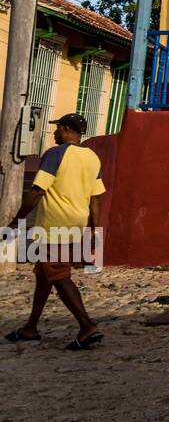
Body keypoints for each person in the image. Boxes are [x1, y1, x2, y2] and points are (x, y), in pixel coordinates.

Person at [4, 112, 105, 350]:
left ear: (66, 128)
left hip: (53, 225)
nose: (54, 132)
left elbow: (38, 191)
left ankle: (87, 326)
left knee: (59, 275)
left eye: (57, 127)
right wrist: (94, 231)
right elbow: (96, 199)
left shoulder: (55, 154)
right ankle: (30, 327)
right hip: (76, 224)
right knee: (44, 274)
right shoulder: (92, 157)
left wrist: (16, 220)